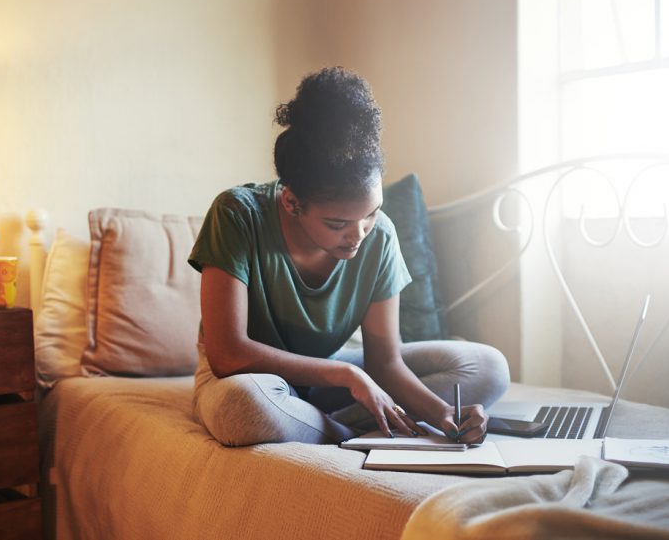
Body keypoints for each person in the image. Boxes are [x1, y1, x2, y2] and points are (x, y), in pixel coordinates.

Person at [188, 67, 509, 447]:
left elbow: (385, 364)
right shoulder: (237, 215)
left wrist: (444, 416)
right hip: (250, 380)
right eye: (338, 222)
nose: (358, 234)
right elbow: (227, 354)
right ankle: (351, 432)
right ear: (292, 202)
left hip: (328, 383)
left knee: (489, 367)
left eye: (371, 214)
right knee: (244, 409)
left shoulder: (382, 236)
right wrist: (345, 375)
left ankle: (319, 425)